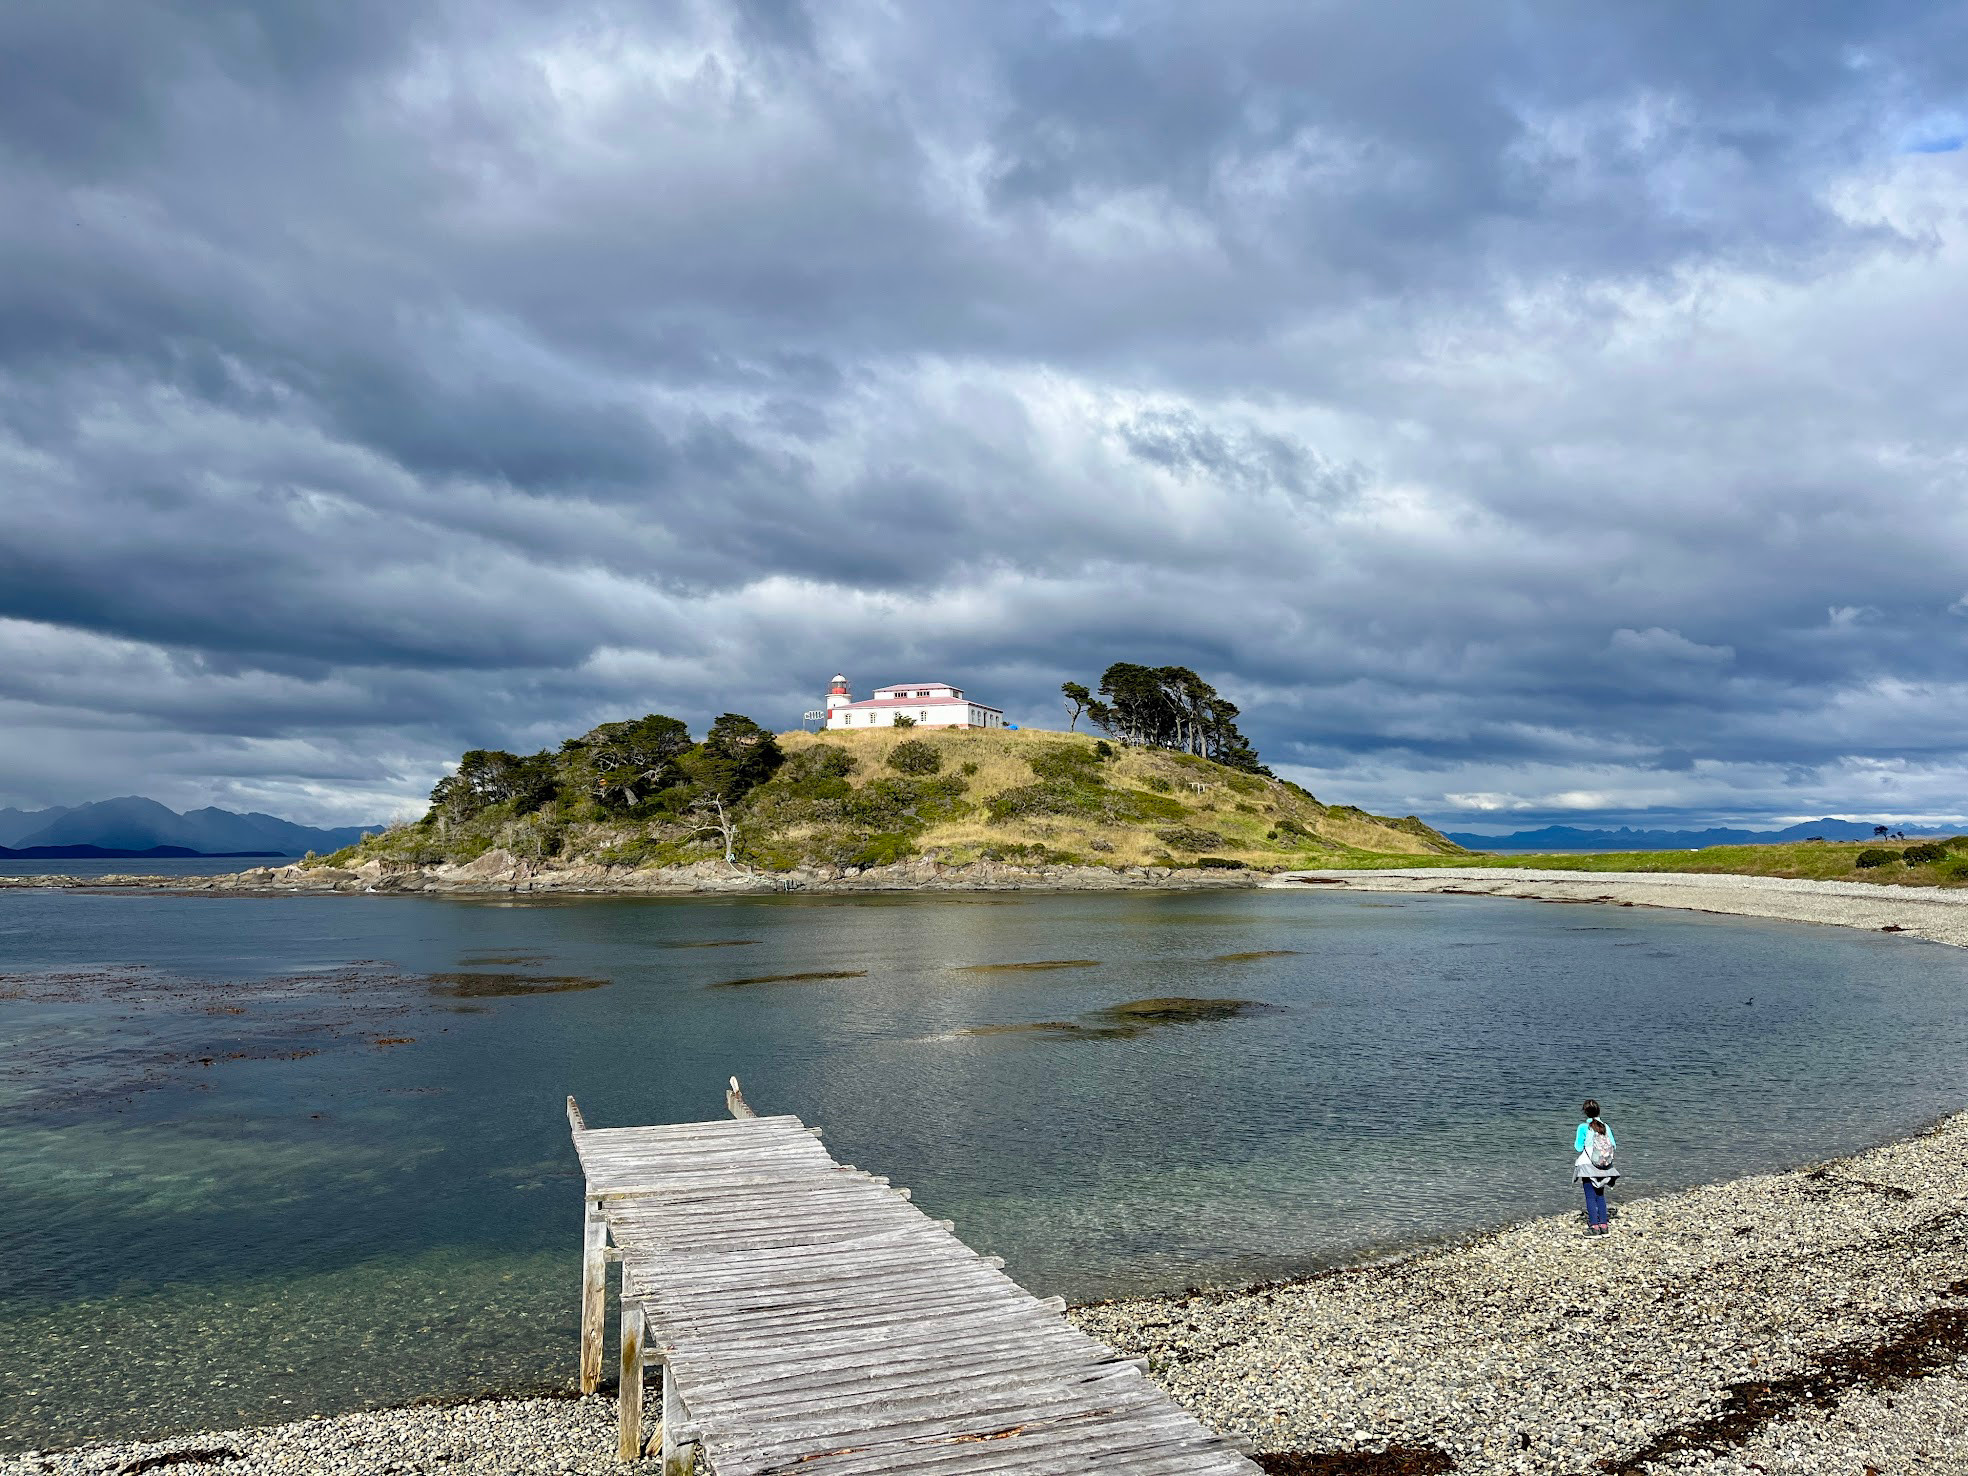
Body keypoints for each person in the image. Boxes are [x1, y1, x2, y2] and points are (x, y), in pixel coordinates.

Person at [1573, 1098, 1618, 1236]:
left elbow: (1578, 1147)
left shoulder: (1583, 1127)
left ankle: (1594, 1226)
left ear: (1585, 1112)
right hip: (1604, 1166)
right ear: (1599, 1111)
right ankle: (1604, 1226)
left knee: (1590, 1197)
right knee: (1600, 1195)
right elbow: (1614, 1145)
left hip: (1587, 1166)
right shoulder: (1605, 1126)